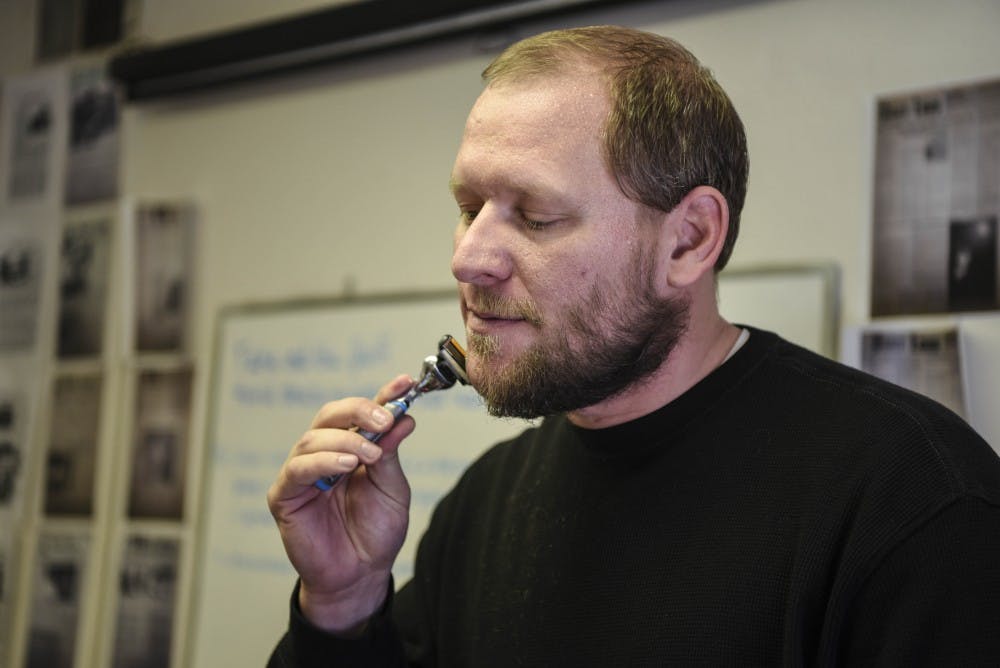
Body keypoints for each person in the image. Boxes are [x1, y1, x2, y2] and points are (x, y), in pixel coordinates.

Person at [267, 25, 1000, 667]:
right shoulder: (481, 508)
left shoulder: (914, 503)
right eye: (469, 207)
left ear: (688, 240)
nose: (468, 259)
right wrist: (344, 602)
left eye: (536, 217)